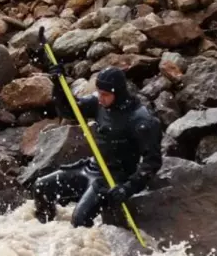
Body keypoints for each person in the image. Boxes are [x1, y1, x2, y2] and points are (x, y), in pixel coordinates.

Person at [32, 64, 163, 227]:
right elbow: (70, 111)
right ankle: (46, 231)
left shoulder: (140, 119)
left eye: (105, 95)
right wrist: (59, 86)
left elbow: (152, 162)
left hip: (113, 178)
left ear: (119, 93)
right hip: (90, 168)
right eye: (99, 92)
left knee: (79, 221)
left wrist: (128, 188)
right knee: (41, 187)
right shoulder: (99, 104)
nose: (100, 98)